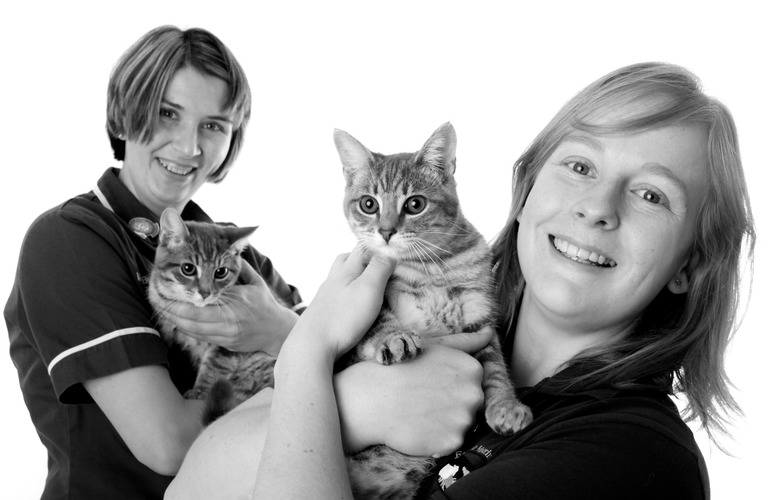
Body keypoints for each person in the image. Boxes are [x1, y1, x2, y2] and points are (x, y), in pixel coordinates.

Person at [168, 61, 754, 500]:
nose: (598, 207)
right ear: (523, 191)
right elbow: (186, 489)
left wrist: (309, 361)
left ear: (689, 266)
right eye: (579, 166)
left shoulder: (629, 457)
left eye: (652, 195)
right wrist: (344, 389)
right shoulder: (419, 330)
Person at [4, 26, 483, 499]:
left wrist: (280, 330)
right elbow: (169, 445)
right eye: (168, 114)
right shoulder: (69, 240)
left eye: (213, 125)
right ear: (126, 111)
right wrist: (348, 393)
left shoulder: (239, 255)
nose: (190, 146)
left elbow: (332, 360)